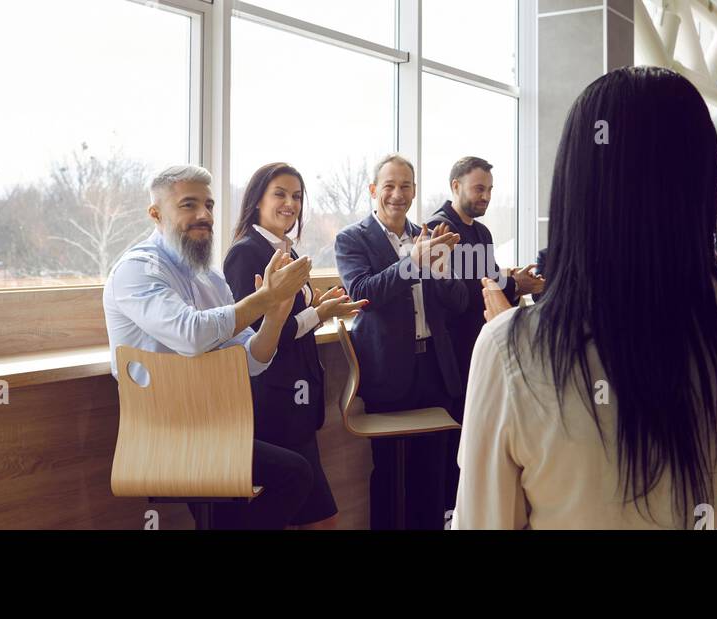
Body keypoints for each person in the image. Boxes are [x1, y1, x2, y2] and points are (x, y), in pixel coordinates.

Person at [452, 66, 717, 529]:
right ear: (705, 181)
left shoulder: (512, 351)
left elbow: (484, 521)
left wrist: (513, 334)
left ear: (574, 184)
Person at [103, 164, 315, 529]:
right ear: (156, 214)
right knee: (293, 474)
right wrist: (264, 298)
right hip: (164, 436)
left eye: (210, 205)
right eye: (188, 205)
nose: (203, 215)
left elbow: (250, 359)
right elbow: (191, 335)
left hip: (215, 426)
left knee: (290, 477)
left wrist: (276, 314)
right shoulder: (137, 270)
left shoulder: (209, 276)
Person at [223, 162, 368, 530]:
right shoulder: (246, 253)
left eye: (297, 196)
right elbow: (259, 333)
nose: (290, 203)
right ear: (257, 201)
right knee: (320, 518)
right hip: (273, 403)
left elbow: (287, 320)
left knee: (321, 518)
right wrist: (317, 315)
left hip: (296, 402)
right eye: (280, 194)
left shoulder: (283, 250)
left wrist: (316, 309)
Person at [334, 154, 469, 530]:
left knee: (434, 474)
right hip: (387, 373)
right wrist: (413, 263)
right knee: (391, 473)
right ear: (374, 190)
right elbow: (362, 294)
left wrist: (440, 269)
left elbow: (458, 303)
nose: (397, 194)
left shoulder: (427, 234)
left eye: (405, 186)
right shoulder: (351, 239)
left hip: (436, 370)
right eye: (389, 186)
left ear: (414, 191)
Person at [425, 156, 545, 514]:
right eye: (479, 188)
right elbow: (465, 290)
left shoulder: (483, 231)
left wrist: (513, 282)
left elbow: (490, 282)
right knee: (456, 443)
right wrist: (510, 282)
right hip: (452, 354)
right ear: (455, 186)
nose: (486, 196)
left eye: (490, 189)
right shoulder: (437, 229)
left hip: (481, 344)